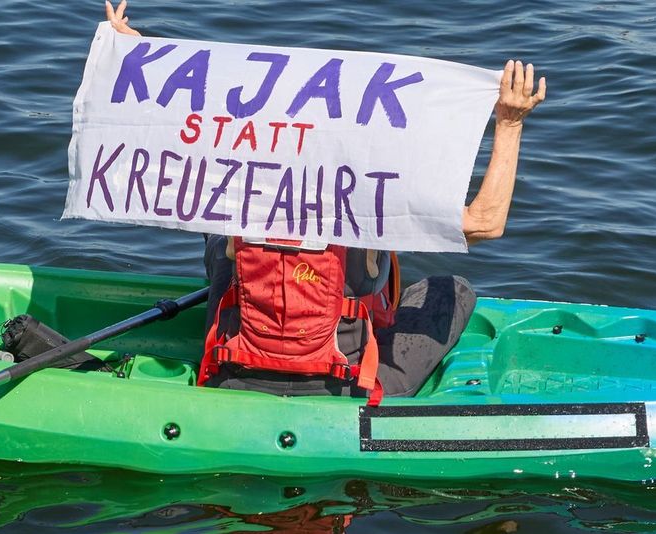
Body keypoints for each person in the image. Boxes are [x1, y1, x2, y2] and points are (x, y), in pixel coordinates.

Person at [103, 0, 546, 400]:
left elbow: (174, 138)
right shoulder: (371, 202)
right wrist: (509, 124)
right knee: (453, 287)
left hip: (229, 374)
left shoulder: (232, 186)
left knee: (220, 245)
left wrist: (140, 59)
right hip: (344, 386)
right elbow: (486, 223)